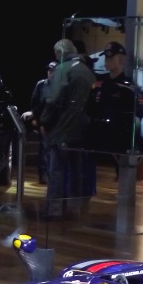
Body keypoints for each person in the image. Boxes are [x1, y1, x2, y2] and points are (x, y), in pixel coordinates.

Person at [39, 38, 95, 218]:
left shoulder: (63, 69)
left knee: (56, 171)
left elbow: (54, 99)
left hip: (62, 130)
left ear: (59, 53)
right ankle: (74, 208)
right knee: (76, 171)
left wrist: (45, 121)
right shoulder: (86, 70)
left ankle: (54, 210)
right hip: (81, 130)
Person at [23, 60, 56, 183]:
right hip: (44, 121)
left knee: (53, 148)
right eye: (49, 70)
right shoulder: (41, 84)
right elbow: (35, 102)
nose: (50, 73)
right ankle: (44, 175)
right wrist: (36, 117)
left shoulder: (62, 86)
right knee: (45, 147)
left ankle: (52, 174)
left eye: (53, 70)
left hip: (56, 121)